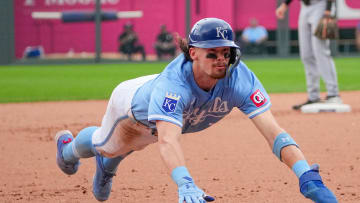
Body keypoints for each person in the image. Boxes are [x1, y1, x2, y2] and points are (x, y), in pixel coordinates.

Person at [55, 18, 338, 203]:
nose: (221, 59)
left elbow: (273, 131)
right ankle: (68, 150)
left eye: (226, 52)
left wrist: (305, 174)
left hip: (163, 121)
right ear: (193, 53)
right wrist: (185, 184)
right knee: (106, 145)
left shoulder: (239, 78)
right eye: (211, 53)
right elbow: (167, 140)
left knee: (136, 144)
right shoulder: (173, 86)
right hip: (131, 109)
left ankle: (109, 163)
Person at [276, 0, 342, 110]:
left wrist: (328, 10)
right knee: (306, 54)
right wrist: (285, 4)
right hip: (305, 6)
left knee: (321, 51)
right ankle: (313, 96)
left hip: (321, 5)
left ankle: (333, 93)